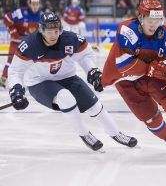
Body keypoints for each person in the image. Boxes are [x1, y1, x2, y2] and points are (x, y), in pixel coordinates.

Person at [8, 11, 137, 151]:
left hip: (68, 77)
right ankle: (85, 134)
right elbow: (16, 71)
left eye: (56, 31)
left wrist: (93, 72)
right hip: (40, 82)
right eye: (49, 31)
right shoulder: (30, 45)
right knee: (66, 98)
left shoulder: (71, 39)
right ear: (41, 30)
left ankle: (116, 133)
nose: (53, 35)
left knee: (94, 104)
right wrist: (16, 91)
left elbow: (85, 56)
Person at [101, 0, 166, 159]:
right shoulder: (127, 29)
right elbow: (122, 63)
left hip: (152, 73)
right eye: (150, 19)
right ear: (141, 18)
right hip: (124, 79)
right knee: (151, 118)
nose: (153, 24)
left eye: (158, 19)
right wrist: (148, 67)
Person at [0, 0, 41, 88]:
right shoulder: (21, 13)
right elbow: (7, 18)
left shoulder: (41, 16)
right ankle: (3, 79)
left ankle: (38, 82)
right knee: (10, 60)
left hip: (29, 43)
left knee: (36, 62)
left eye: (37, 4)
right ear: (29, 4)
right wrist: (13, 31)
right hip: (16, 41)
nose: (35, 6)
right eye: (33, 4)